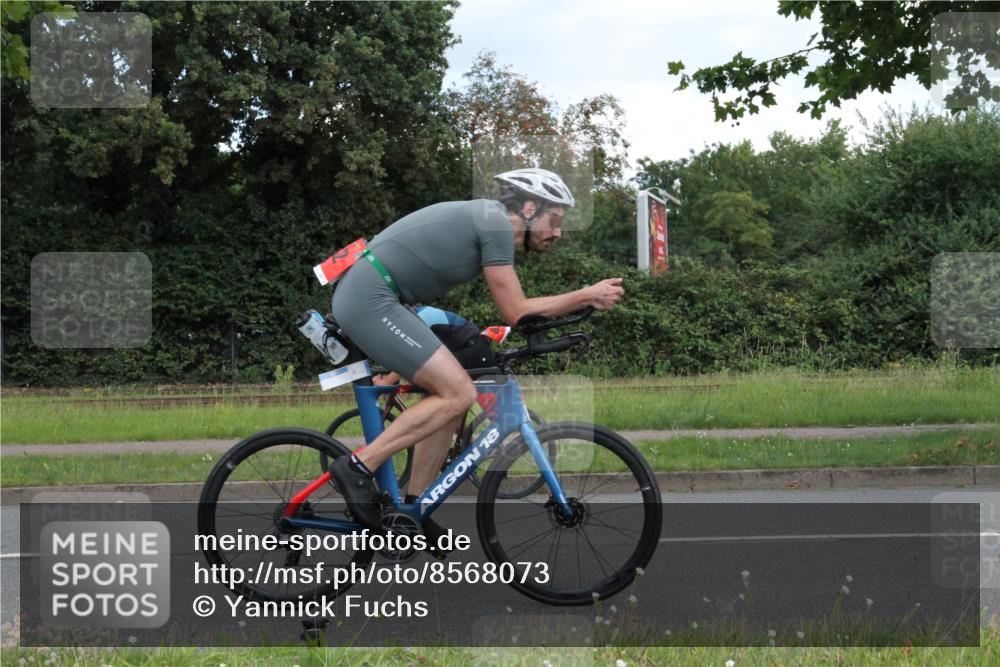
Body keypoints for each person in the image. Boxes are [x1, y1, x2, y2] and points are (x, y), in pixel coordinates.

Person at [328, 168, 624, 543]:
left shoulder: (491, 222)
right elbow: (515, 311)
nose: (558, 233)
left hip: (379, 296)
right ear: (530, 208)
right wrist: (586, 295)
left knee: (451, 402)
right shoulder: (497, 223)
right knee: (459, 392)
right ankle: (357, 466)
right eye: (554, 220)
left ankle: (414, 507)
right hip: (371, 298)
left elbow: (520, 313)